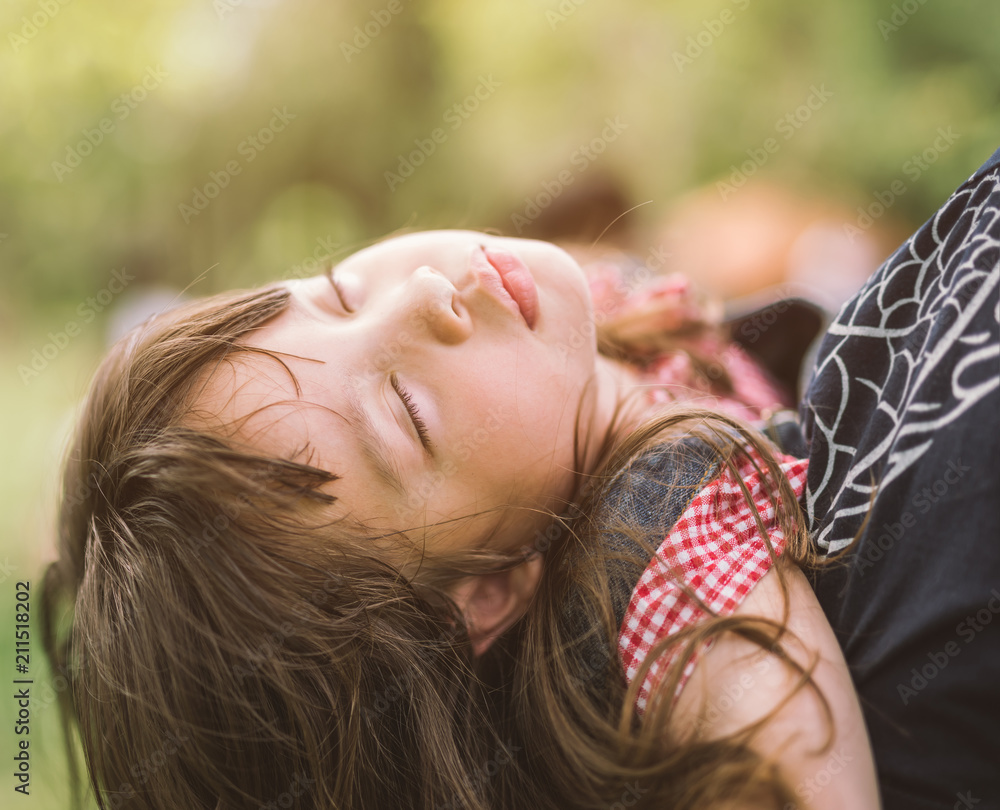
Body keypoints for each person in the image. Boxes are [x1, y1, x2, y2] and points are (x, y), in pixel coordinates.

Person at [40, 231, 882, 810]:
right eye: (405, 409)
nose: (423, 291)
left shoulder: (556, 349)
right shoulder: (663, 542)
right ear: (484, 597)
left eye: (338, 292)